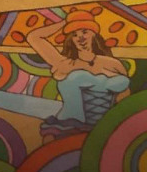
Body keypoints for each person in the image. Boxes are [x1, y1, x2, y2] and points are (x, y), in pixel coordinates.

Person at [26, 10, 129, 141]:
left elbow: (124, 95)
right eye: (74, 35)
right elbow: (33, 37)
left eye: (85, 32)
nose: (80, 38)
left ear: (94, 34)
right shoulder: (64, 64)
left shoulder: (113, 64)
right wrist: (65, 23)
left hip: (104, 126)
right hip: (68, 125)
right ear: (71, 40)